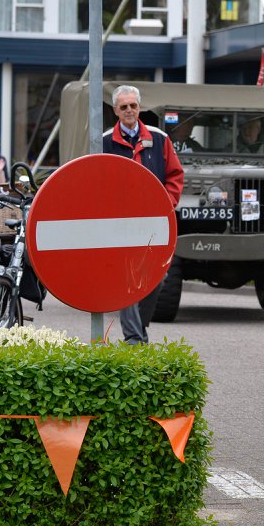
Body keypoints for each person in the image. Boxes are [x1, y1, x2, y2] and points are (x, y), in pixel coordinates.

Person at [103, 84, 184, 344]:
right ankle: (135, 340)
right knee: (128, 278)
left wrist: (166, 205)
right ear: (115, 110)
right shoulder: (104, 141)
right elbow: (95, 180)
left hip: (153, 222)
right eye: (124, 106)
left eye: (133, 105)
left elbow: (175, 175)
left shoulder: (159, 138)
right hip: (119, 224)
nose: (129, 110)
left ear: (140, 107)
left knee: (157, 277)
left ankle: (140, 329)